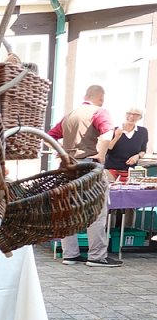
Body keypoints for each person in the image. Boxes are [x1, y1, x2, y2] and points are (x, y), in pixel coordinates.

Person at [47, 85, 121, 268]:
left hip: (67, 167)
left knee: (68, 211)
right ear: (101, 97)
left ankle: (70, 255)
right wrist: (101, 154)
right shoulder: (99, 112)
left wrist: (61, 152)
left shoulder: (70, 115)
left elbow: (49, 136)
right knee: (96, 210)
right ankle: (97, 257)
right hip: (89, 166)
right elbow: (107, 133)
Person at [105, 106, 149, 182]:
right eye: (129, 113)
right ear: (124, 114)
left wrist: (137, 156)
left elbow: (143, 150)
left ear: (140, 117)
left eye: (136, 114)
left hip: (131, 172)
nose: (131, 116)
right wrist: (116, 137)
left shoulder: (143, 131)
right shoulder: (114, 130)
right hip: (111, 170)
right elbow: (107, 150)